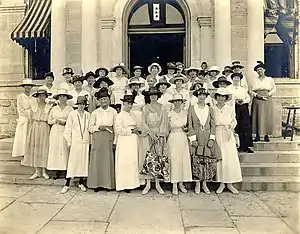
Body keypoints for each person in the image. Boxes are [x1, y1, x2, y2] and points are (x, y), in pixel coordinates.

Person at [188, 88, 220, 194]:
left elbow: (213, 124)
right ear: (197, 96)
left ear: (206, 97)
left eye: (204, 95)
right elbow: (190, 124)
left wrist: (212, 138)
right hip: (197, 136)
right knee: (196, 160)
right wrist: (192, 138)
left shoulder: (209, 109)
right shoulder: (192, 108)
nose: (202, 97)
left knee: (207, 160)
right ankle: (197, 183)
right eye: (200, 95)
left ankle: (205, 184)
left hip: (206, 136)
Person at [211, 88, 242, 194]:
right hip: (217, 133)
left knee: (229, 157)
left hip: (228, 133)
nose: (220, 98)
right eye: (218, 96)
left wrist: (230, 126)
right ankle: (221, 183)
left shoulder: (230, 108)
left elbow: (234, 120)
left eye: (223, 96)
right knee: (220, 157)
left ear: (225, 98)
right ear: (216, 97)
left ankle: (230, 183)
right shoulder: (212, 108)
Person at [140, 87, 169, 195]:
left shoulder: (162, 108)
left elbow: (164, 122)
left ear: (158, 96)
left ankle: (157, 184)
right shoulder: (145, 108)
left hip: (158, 136)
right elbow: (143, 122)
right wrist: (150, 133)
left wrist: (159, 134)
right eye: (151, 95)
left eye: (155, 95)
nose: (153, 96)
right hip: (148, 136)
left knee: (158, 158)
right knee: (148, 158)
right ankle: (148, 184)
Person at [88, 88, 117, 191]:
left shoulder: (113, 111)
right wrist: (98, 127)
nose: (104, 101)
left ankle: (108, 184)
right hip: (98, 137)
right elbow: (90, 128)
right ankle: (96, 184)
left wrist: (115, 141)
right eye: (101, 99)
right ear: (98, 101)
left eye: (105, 99)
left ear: (109, 100)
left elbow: (116, 127)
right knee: (97, 161)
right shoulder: (95, 113)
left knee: (108, 161)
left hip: (109, 137)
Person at [22, 87, 53, 180]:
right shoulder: (33, 106)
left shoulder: (49, 106)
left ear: (46, 96)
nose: (42, 97)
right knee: (35, 147)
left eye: (43, 95)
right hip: (35, 127)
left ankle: (44, 171)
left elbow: (50, 118)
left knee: (44, 147)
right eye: (40, 96)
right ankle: (37, 171)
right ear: (37, 97)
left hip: (44, 127)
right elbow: (31, 118)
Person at [61, 96, 90, 194]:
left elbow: (89, 129)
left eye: (83, 104)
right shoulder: (72, 114)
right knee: (73, 162)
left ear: (85, 105)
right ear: (77, 105)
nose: (81, 106)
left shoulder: (88, 115)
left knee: (83, 162)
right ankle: (67, 184)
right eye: (80, 104)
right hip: (75, 142)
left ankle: (81, 182)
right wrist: (69, 142)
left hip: (85, 141)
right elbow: (67, 130)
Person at [114, 93, 140, 193]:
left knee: (132, 161)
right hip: (124, 140)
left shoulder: (133, 114)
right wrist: (130, 131)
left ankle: (132, 184)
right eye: (127, 103)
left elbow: (135, 125)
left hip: (133, 140)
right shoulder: (120, 115)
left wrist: (136, 130)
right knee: (124, 162)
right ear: (123, 103)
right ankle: (123, 184)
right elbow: (118, 130)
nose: (129, 105)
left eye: (131, 104)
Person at [167, 93, 192, 195]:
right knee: (174, 159)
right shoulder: (169, 113)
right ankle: (174, 184)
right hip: (173, 137)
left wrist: (186, 129)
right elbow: (167, 127)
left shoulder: (185, 113)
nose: (177, 103)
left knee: (183, 159)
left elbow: (188, 126)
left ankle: (181, 183)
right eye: (175, 101)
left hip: (182, 136)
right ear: (173, 103)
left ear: (182, 102)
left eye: (179, 101)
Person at [47, 90, 74, 179]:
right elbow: (49, 120)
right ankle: (57, 169)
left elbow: (73, 120)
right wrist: (56, 121)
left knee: (65, 148)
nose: (62, 98)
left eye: (64, 96)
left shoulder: (70, 109)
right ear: (58, 98)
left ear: (67, 98)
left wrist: (66, 122)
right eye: (60, 96)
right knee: (56, 149)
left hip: (66, 130)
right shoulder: (54, 108)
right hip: (55, 130)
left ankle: (66, 169)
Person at [250, 61, 276, 142]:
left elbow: (274, 89)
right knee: (257, 116)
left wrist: (268, 94)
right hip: (257, 99)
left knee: (266, 116)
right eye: (258, 70)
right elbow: (250, 90)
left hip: (267, 99)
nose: (259, 71)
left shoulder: (269, 79)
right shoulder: (254, 80)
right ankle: (257, 135)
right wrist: (256, 95)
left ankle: (266, 135)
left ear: (264, 70)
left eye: (261, 69)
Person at [228, 73, 254, 153]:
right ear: (232, 79)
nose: (236, 79)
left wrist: (243, 101)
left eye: (238, 78)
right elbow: (228, 98)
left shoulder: (242, 89)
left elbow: (248, 98)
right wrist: (234, 101)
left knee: (245, 126)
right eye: (235, 78)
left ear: (240, 80)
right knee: (236, 126)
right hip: (233, 107)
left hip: (243, 108)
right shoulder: (229, 88)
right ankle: (237, 146)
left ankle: (245, 146)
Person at [12, 79, 36, 158]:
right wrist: (28, 116)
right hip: (24, 117)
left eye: (29, 86)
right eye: (26, 86)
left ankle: (29, 153)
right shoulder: (20, 97)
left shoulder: (33, 98)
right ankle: (23, 153)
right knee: (23, 135)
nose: (28, 87)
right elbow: (20, 109)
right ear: (23, 87)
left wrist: (32, 116)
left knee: (31, 135)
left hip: (32, 117)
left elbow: (35, 107)